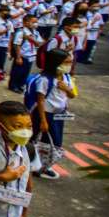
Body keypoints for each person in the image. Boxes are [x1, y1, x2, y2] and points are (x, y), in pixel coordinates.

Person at [31, 49, 77, 180]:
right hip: (46, 114)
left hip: (59, 114)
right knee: (43, 141)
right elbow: (40, 100)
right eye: (66, 62)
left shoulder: (66, 77)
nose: (69, 65)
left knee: (55, 142)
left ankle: (45, 165)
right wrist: (43, 121)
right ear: (55, 63)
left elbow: (72, 95)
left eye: (70, 62)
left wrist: (66, 89)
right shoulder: (44, 80)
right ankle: (38, 165)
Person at [8, 15, 43, 93]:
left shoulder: (35, 32)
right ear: (26, 22)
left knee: (25, 72)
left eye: (36, 22)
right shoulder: (21, 32)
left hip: (30, 56)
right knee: (17, 72)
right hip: (22, 55)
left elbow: (40, 43)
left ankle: (21, 85)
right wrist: (18, 57)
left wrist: (31, 39)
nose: (35, 24)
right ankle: (13, 86)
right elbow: (17, 45)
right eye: (33, 22)